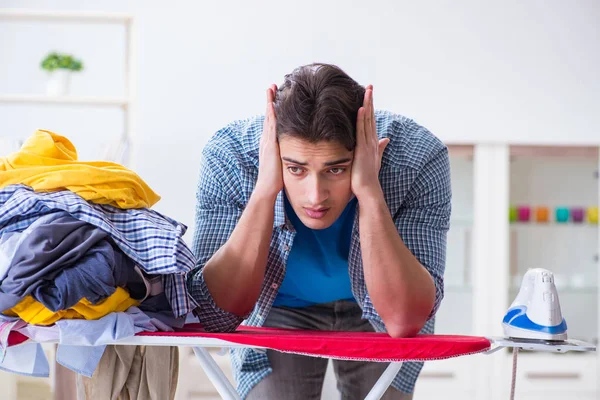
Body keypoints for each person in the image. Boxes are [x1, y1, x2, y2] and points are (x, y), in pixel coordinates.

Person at [187, 63, 452, 400]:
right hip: (278, 307)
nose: (315, 196)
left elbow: (402, 321)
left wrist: (370, 191)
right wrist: (266, 189)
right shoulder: (232, 154)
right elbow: (216, 312)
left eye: (336, 169)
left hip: (376, 309)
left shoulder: (417, 156)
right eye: (296, 169)